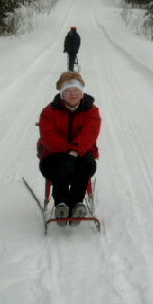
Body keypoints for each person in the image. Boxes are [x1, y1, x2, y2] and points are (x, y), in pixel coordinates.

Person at [36, 71, 101, 226]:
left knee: (85, 166)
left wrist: (75, 152)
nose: (73, 94)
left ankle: (77, 204)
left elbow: (89, 134)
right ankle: (62, 205)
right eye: (68, 91)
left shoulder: (91, 110)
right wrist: (68, 152)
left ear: (81, 92)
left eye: (76, 90)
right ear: (62, 93)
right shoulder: (49, 112)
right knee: (59, 168)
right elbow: (48, 137)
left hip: (82, 153)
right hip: (54, 154)